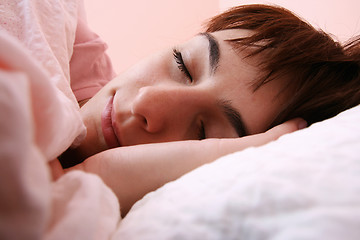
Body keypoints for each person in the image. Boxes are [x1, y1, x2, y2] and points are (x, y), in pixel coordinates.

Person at [56, 4, 360, 216]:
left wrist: (101, 175)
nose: (146, 102)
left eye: (203, 133)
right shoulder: (55, 29)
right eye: (182, 64)